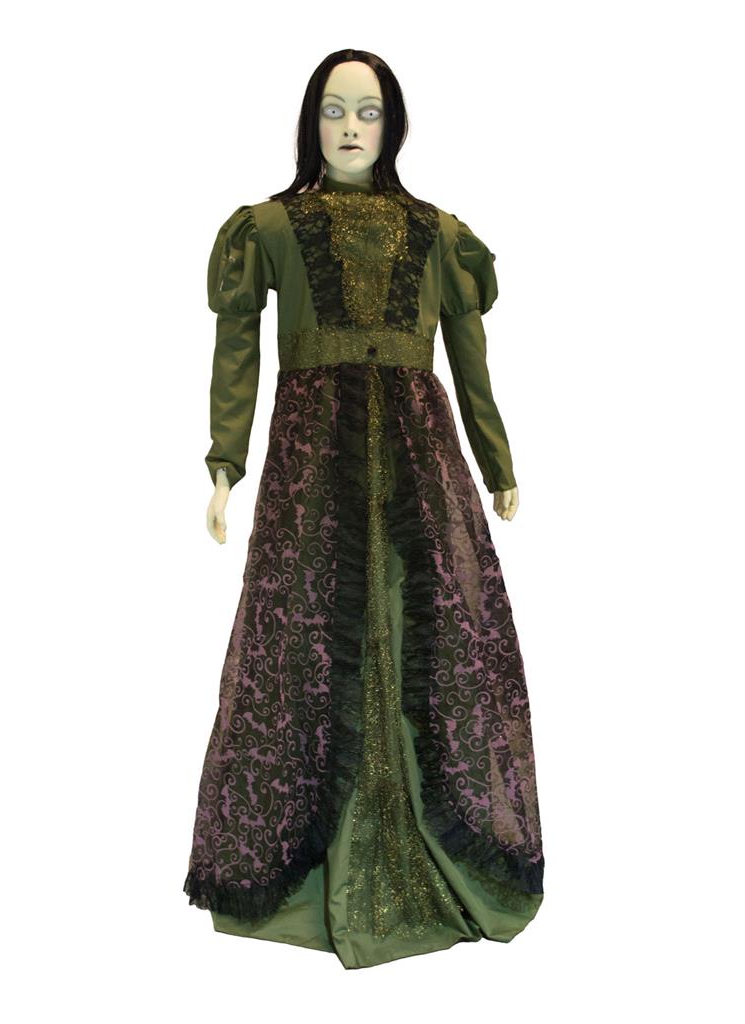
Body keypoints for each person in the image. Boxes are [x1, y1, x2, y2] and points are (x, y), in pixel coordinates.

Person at [184, 47, 545, 970]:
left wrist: (497, 463)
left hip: (421, 457)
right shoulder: (268, 227)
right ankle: (310, 873)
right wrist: (224, 465)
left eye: (369, 111)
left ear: (394, 124)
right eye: (335, 109)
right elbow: (237, 350)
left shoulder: (436, 233)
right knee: (309, 635)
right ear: (310, 120)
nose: (351, 127)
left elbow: (470, 360)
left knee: (430, 631)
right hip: (313, 458)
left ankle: (433, 847)